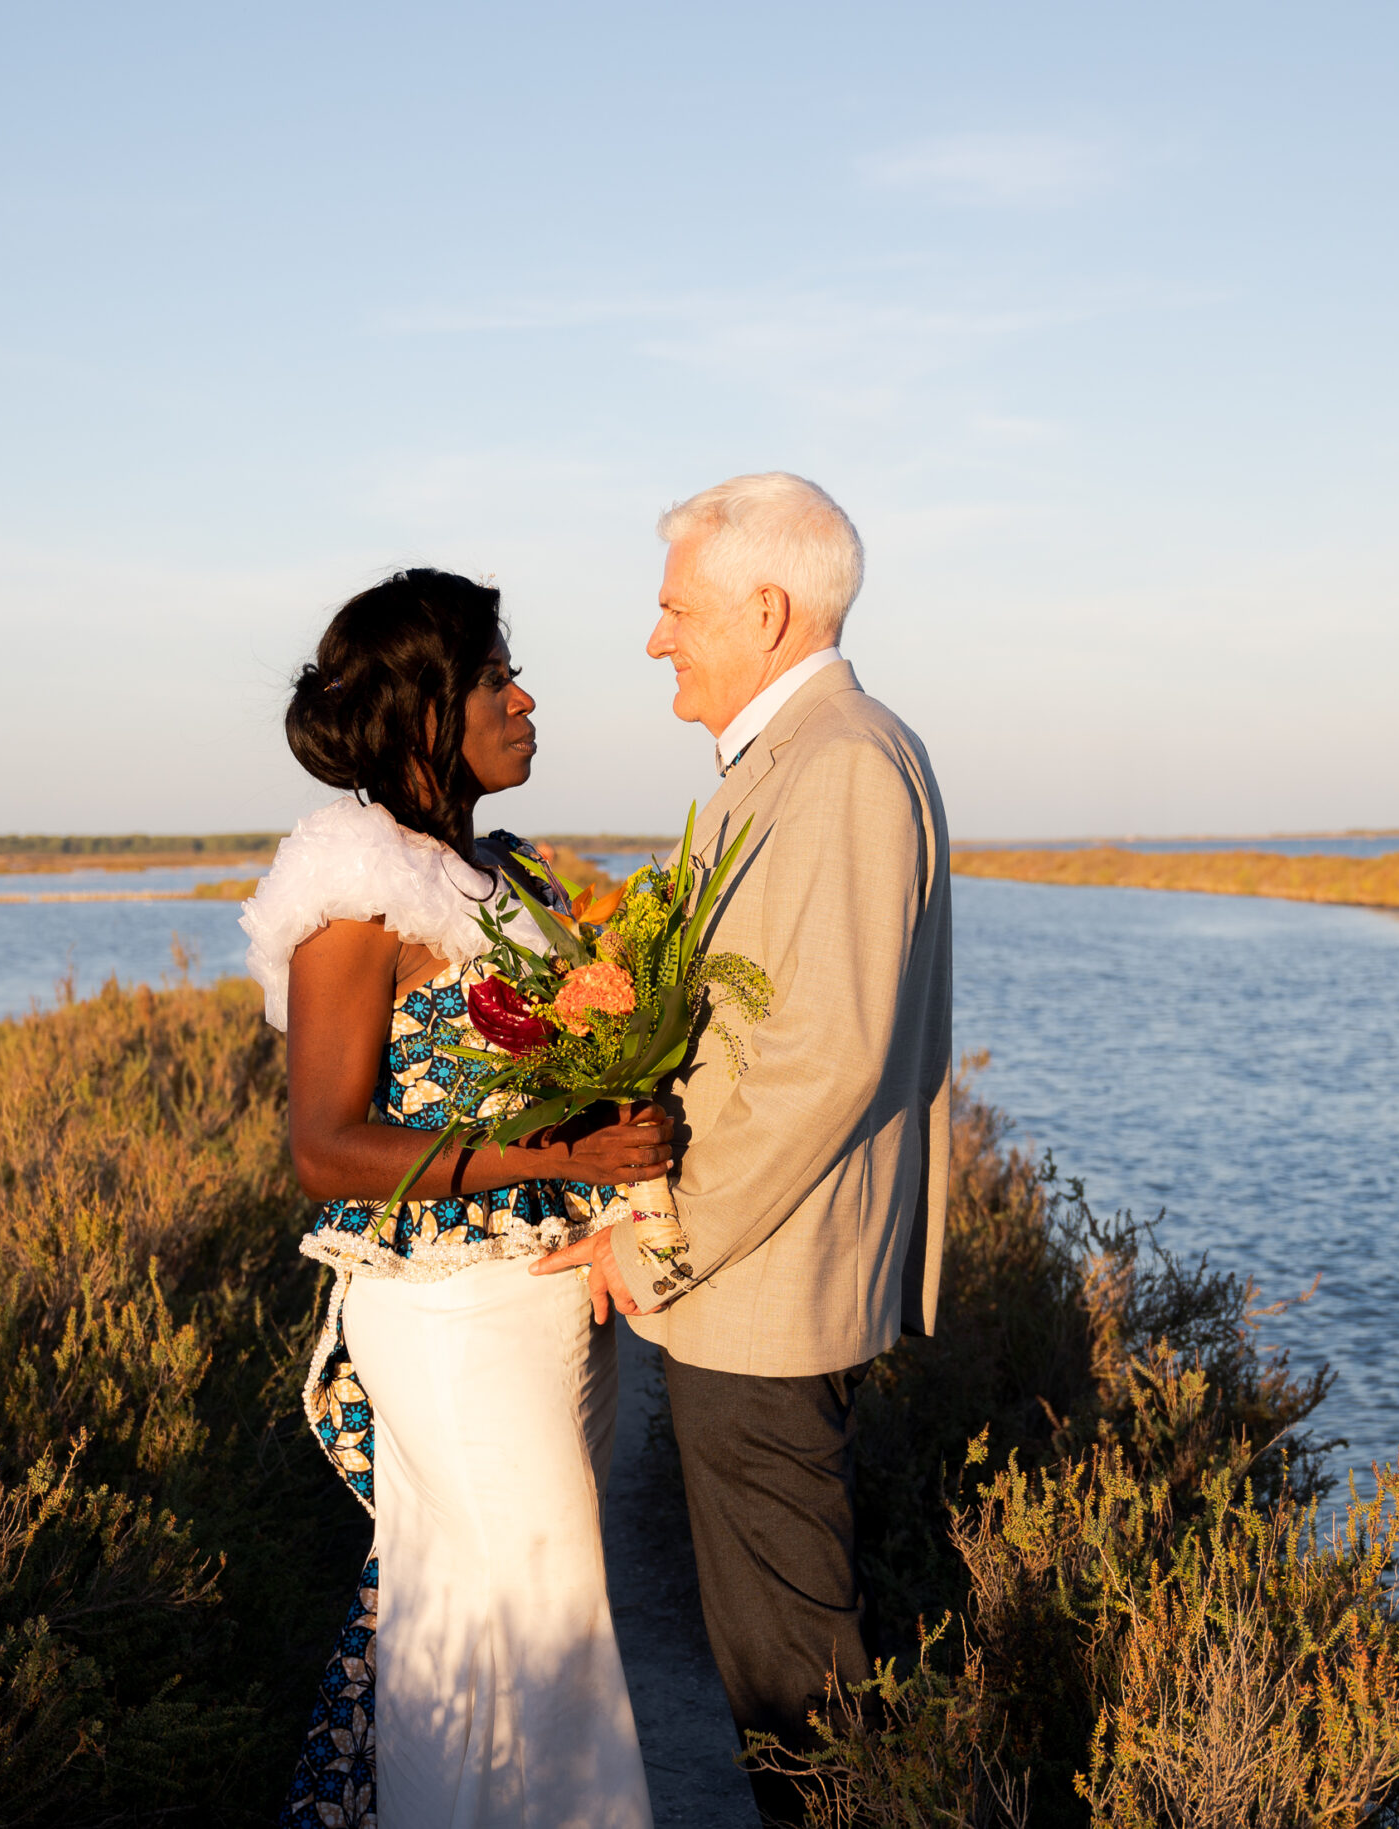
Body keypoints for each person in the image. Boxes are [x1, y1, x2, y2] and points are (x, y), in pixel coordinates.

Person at [533, 474, 953, 1826]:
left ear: (765, 608)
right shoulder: (793, 760)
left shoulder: (834, 760)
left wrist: (659, 1235)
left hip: (771, 1296)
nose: (657, 641)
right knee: (780, 1666)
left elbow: (816, 1061)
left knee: (797, 1689)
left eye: (674, 611)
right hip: (771, 1282)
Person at [243, 568, 665, 1829]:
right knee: (548, 1620)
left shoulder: (510, 871)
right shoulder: (353, 885)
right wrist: (555, 1164)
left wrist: (619, 1127)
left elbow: (553, 1080)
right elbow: (325, 1145)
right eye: (494, 676)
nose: (525, 696)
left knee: (468, 1643)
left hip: (540, 1312)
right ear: (425, 708)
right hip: (447, 1323)